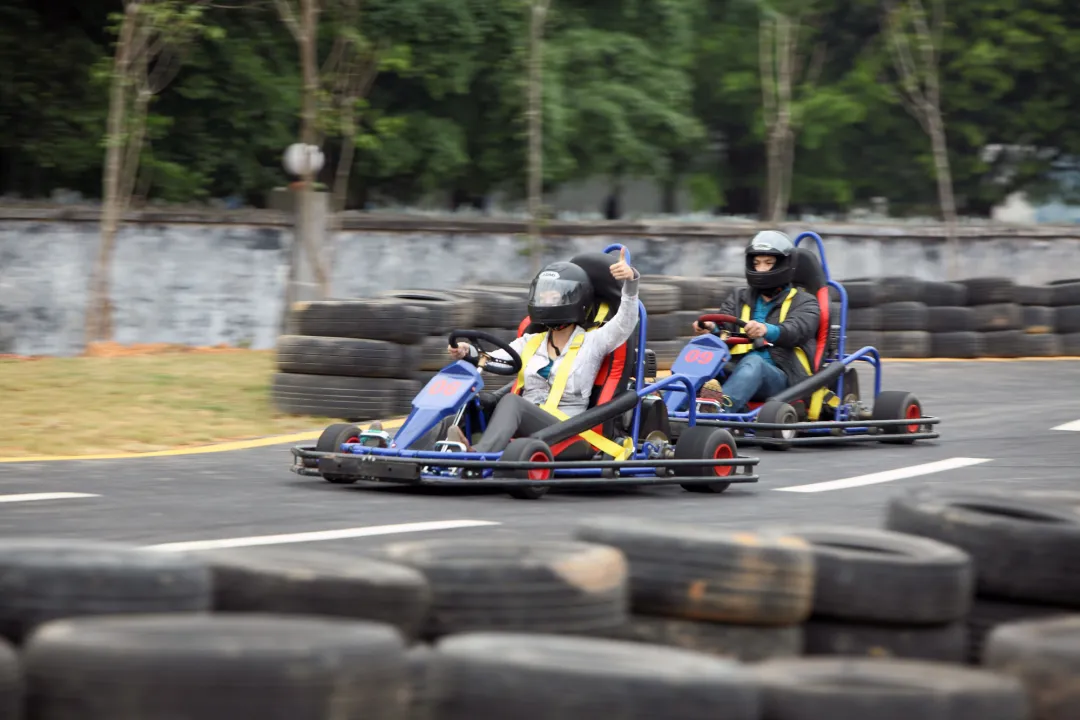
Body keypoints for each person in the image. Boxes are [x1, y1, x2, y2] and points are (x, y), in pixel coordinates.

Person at [419, 249, 640, 453]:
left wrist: (630, 283)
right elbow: (491, 359)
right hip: (528, 429)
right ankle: (418, 449)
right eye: (542, 296)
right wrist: (467, 352)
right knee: (470, 402)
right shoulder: (530, 342)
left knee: (512, 402)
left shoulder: (593, 342)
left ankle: (477, 455)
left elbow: (625, 322)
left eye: (553, 297)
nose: (545, 301)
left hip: (569, 434)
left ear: (574, 299)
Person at [690, 231, 819, 412]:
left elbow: (797, 330)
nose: (761, 269)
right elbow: (725, 327)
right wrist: (711, 329)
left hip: (783, 377)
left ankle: (719, 411)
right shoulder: (739, 297)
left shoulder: (805, 302)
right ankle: (671, 406)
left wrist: (766, 330)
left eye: (768, 263)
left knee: (754, 362)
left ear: (784, 265)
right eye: (757, 263)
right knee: (700, 353)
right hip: (736, 368)